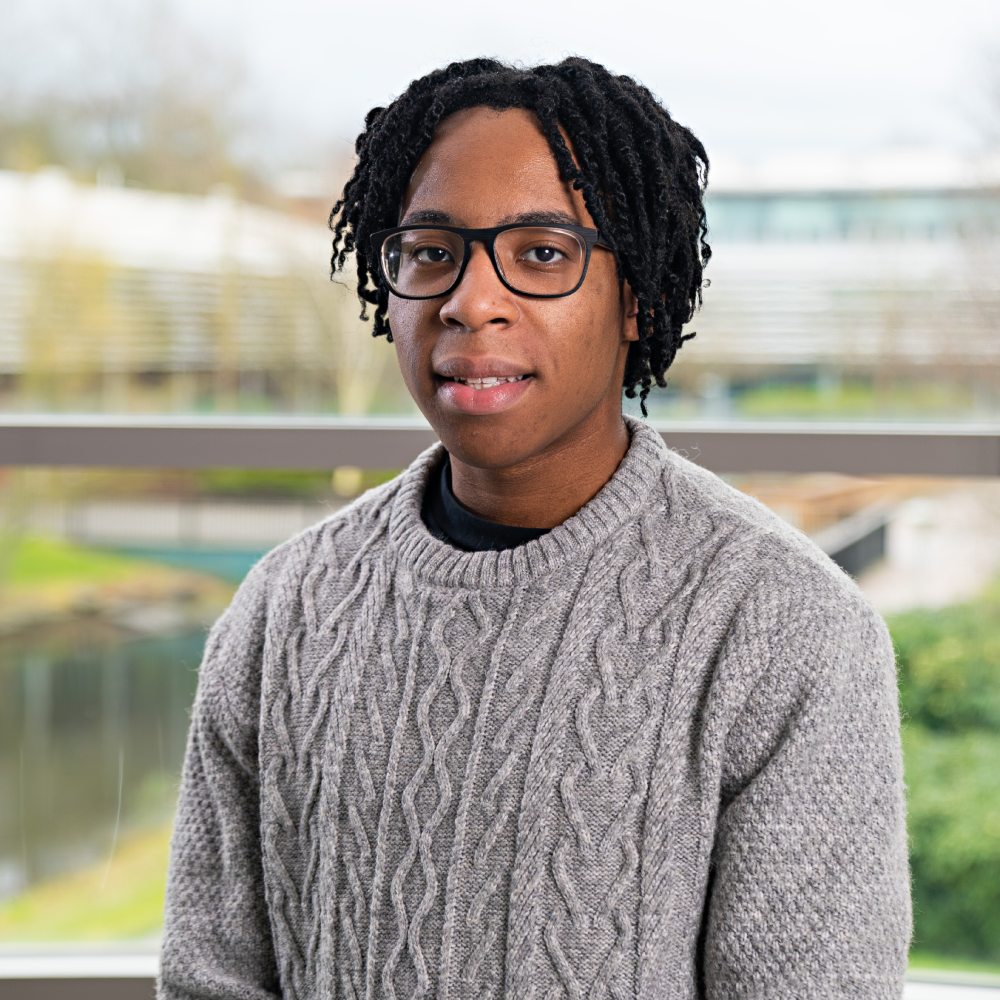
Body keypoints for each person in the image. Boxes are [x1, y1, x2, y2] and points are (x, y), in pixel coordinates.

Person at [157, 56, 913, 999]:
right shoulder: (282, 612)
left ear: (634, 297)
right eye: (433, 252)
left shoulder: (786, 630)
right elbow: (209, 983)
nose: (471, 300)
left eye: (543, 254)